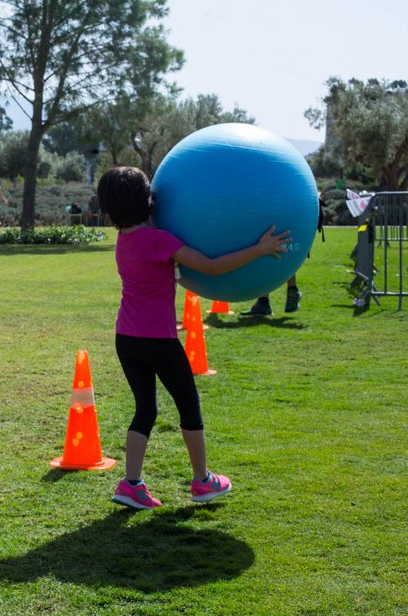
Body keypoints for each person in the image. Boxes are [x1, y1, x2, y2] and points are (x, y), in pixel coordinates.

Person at [97, 166, 290, 510]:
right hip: (157, 340)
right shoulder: (159, 240)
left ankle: (131, 485)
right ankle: (203, 482)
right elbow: (212, 266)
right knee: (189, 405)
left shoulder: (125, 240)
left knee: (145, 410)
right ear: (148, 201)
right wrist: (260, 249)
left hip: (126, 337)